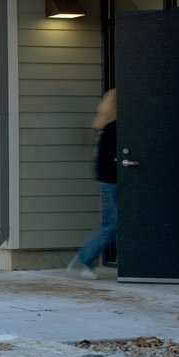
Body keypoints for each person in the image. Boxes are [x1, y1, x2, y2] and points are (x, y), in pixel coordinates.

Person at [68, 89, 117, 280]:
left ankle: (83, 260)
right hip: (112, 180)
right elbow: (112, 153)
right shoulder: (114, 127)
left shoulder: (104, 126)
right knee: (111, 224)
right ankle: (83, 260)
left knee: (109, 223)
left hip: (105, 179)